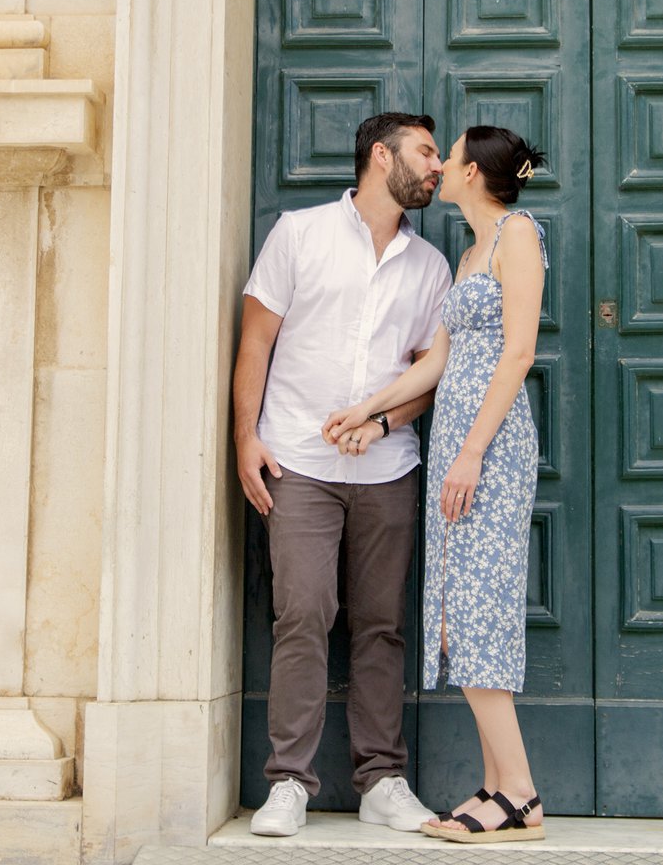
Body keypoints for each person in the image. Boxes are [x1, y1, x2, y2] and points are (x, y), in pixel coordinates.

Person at [323, 125, 549, 844]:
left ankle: (520, 794)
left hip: (491, 445)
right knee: (461, 603)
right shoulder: (469, 251)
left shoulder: (519, 234)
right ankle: (493, 787)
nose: (440, 166)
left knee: (480, 602)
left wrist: (474, 450)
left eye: (449, 156)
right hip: (457, 442)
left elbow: (518, 351)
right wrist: (371, 406)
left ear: (476, 173)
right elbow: (439, 361)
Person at [234, 112, 453, 837]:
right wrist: (244, 437)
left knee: (381, 626)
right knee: (302, 615)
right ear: (380, 154)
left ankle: (382, 780)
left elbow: (428, 377)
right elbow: (256, 343)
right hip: (296, 459)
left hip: (388, 470)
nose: (437, 167)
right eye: (426, 152)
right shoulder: (299, 233)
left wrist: (384, 422)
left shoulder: (431, 266)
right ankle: (289, 782)